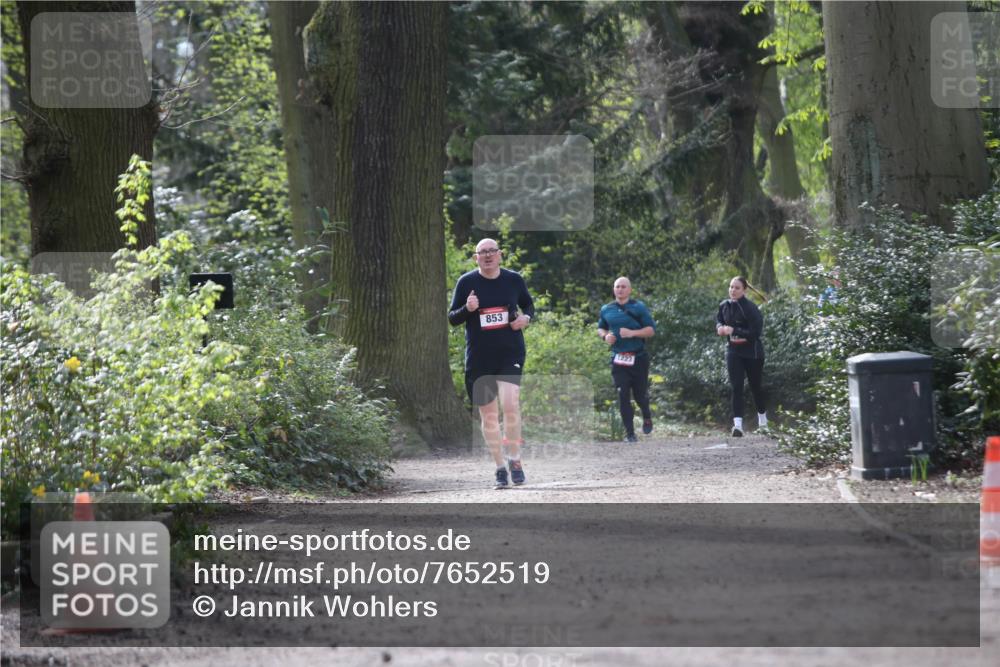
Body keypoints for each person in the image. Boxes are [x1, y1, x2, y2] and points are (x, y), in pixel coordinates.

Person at [448, 238, 535, 489]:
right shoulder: (466, 282)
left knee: (510, 405)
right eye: (482, 252)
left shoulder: (513, 279)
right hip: (479, 358)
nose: (487, 256)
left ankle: (515, 459)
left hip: (510, 353)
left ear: (500, 255)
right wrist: (468, 308)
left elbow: (528, 304)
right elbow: (453, 318)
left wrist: (526, 318)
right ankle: (499, 467)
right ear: (476, 257)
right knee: (488, 416)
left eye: (491, 251)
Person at [597, 277, 656, 443]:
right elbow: (601, 327)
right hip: (618, 359)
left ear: (629, 290)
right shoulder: (606, 309)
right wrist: (605, 336)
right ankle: (630, 434)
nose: (620, 289)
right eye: (617, 287)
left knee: (640, 395)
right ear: (614, 289)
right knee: (622, 394)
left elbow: (651, 330)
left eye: (623, 287)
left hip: (638, 358)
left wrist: (632, 333)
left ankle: (646, 415)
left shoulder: (638, 307)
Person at [715, 276, 768, 437]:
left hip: (752, 353)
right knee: (736, 386)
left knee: (755, 387)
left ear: (744, 290)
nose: (733, 290)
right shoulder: (724, 305)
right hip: (733, 351)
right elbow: (719, 319)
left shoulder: (751, 308)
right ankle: (737, 426)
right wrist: (719, 328)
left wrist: (734, 331)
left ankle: (763, 423)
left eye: (737, 288)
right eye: (731, 287)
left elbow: (755, 333)